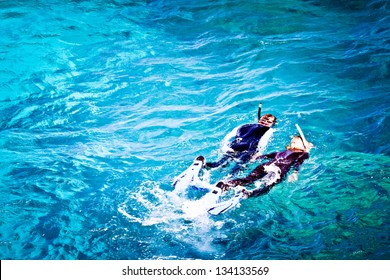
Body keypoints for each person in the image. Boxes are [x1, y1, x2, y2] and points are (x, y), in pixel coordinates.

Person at [215, 135, 313, 198]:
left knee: (257, 181)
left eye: (296, 141)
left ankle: (231, 185)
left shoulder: (302, 153)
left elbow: (298, 162)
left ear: (304, 145)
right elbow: (269, 155)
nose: (293, 142)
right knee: (265, 185)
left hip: (270, 167)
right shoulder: (288, 152)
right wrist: (257, 157)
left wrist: (295, 172)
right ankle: (232, 186)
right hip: (277, 169)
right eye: (292, 141)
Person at [204, 113, 277, 174]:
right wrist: (259, 152)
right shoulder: (269, 130)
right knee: (238, 166)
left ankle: (208, 167)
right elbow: (264, 142)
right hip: (246, 150)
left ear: (272, 124)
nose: (265, 122)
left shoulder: (245, 125)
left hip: (238, 148)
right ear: (259, 119)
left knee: (223, 163)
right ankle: (227, 179)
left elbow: (229, 137)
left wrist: (225, 146)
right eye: (264, 120)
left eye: (268, 121)